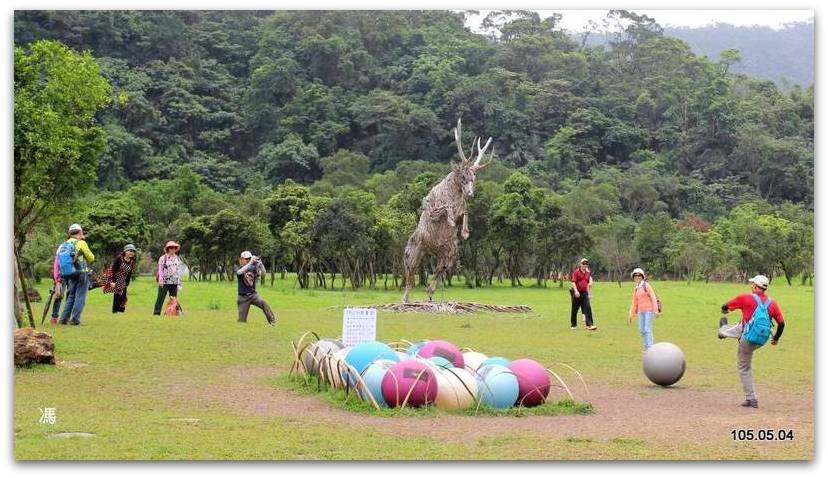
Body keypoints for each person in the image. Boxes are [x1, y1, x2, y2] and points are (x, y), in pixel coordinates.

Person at [718, 274, 785, 408]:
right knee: (742, 325)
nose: (751, 286)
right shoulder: (772, 303)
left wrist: (724, 310)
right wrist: (776, 338)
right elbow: (782, 324)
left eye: (752, 284)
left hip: (747, 338)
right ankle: (723, 330)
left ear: (755, 286)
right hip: (761, 339)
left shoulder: (745, 298)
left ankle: (751, 399)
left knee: (744, 366)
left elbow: (725, 306)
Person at [59, 224, 95, 325]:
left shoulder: (64, 244)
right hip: (82, 272)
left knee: (71, 296)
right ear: (79, 232)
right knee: (80, 296)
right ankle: (75, 319)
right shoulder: (81, 243)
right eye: (82, 232)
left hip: (71, 273)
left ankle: (64, 319)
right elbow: (91, 258)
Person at [236, 251, 276, 326]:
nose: (248, 260)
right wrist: (250, 263)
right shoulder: (240, 268)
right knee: (241, 322)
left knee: (264, 303)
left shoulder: (253, 268)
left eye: (249, 258)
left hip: (253, 295)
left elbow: (263, 274)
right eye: (246, 259)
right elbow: (239, 272)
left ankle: (272, 321)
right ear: (241, 259)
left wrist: (260, 264)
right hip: (242, 297)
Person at [628, 267, 660, 351]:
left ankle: (650, 348)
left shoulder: (646, 286)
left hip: (649, 311)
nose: (637, 277)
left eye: (639, 275)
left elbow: (653, 297)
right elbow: (634, 302)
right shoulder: (636, 288)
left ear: (642, 277)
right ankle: (646, 346)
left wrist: (656, 310)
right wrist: (631, 314)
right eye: (635, 275)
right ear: (633, 277)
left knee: (647, 329)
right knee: (641, 330)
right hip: (641, 312)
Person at [153, 241, 183, 315]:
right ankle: (156, 313)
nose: (173, 249)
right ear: (168, 249)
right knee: (160, 298)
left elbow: (178, 271)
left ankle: (173, 313)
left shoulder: (177, 258)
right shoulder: (163, 258)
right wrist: (161, 280)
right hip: (165, 281)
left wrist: (179, 282)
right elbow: (160, 270)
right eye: (171, 248)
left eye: (174, 248)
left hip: (174, 281)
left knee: (173, 299)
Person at [109, 244, 138, 313]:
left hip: (123, 280)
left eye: (133, 251)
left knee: (124, 298)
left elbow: (129, 272)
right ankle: (115, 311)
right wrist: (113, 281)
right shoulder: (119, 258)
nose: (131, 253)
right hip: (116, 279)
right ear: (125, 251)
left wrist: (127, 282)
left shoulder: (132, 261)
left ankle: (121, 311)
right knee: (117, 296)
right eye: (130, 251)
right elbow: (113, 270)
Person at [569, 258, 597, 330]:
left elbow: (588, 284)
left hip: (584, 293)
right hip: (577, 293)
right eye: (583, 264)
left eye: (586, 264)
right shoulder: (576, 272)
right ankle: (573, 324)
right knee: (575, 309)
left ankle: (589, 325)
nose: (585, 265)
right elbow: (573, 282)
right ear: (580, 264)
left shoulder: (588, 273)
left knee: (588, 308)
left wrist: (589, 293)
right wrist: (576, 291)